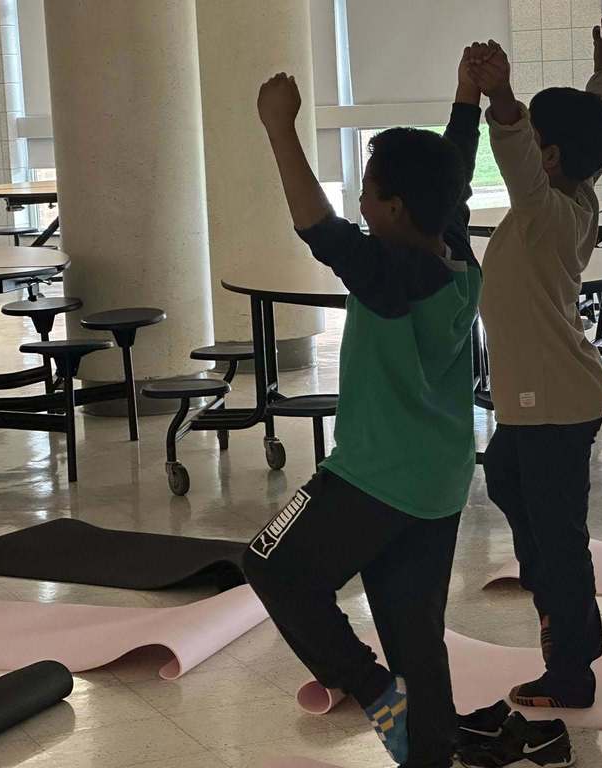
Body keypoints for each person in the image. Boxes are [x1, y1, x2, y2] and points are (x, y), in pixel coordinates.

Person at [242, 53, 483, 768]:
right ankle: (428, 753)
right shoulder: (453, 251)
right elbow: (453, 172)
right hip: (438, 481)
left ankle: (373, 690)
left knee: (270, 564)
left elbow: (316, 226)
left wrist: (278, 128)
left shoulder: (387, 275)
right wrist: (464, 98)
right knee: (416, 634)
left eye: (370, 196)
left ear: (395, 210)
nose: (360, 208)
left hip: (375, 475)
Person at [468, 17, 602, 709]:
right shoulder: (578, 193)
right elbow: (599, 118)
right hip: (548, 395)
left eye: (537, 143)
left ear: (550, 157)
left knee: (560, 541)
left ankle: (572, 668)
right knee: (503, 476)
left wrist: (502, 99)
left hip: (551, 401)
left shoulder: (547, 212)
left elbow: (519, 164)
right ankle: (552, 595)